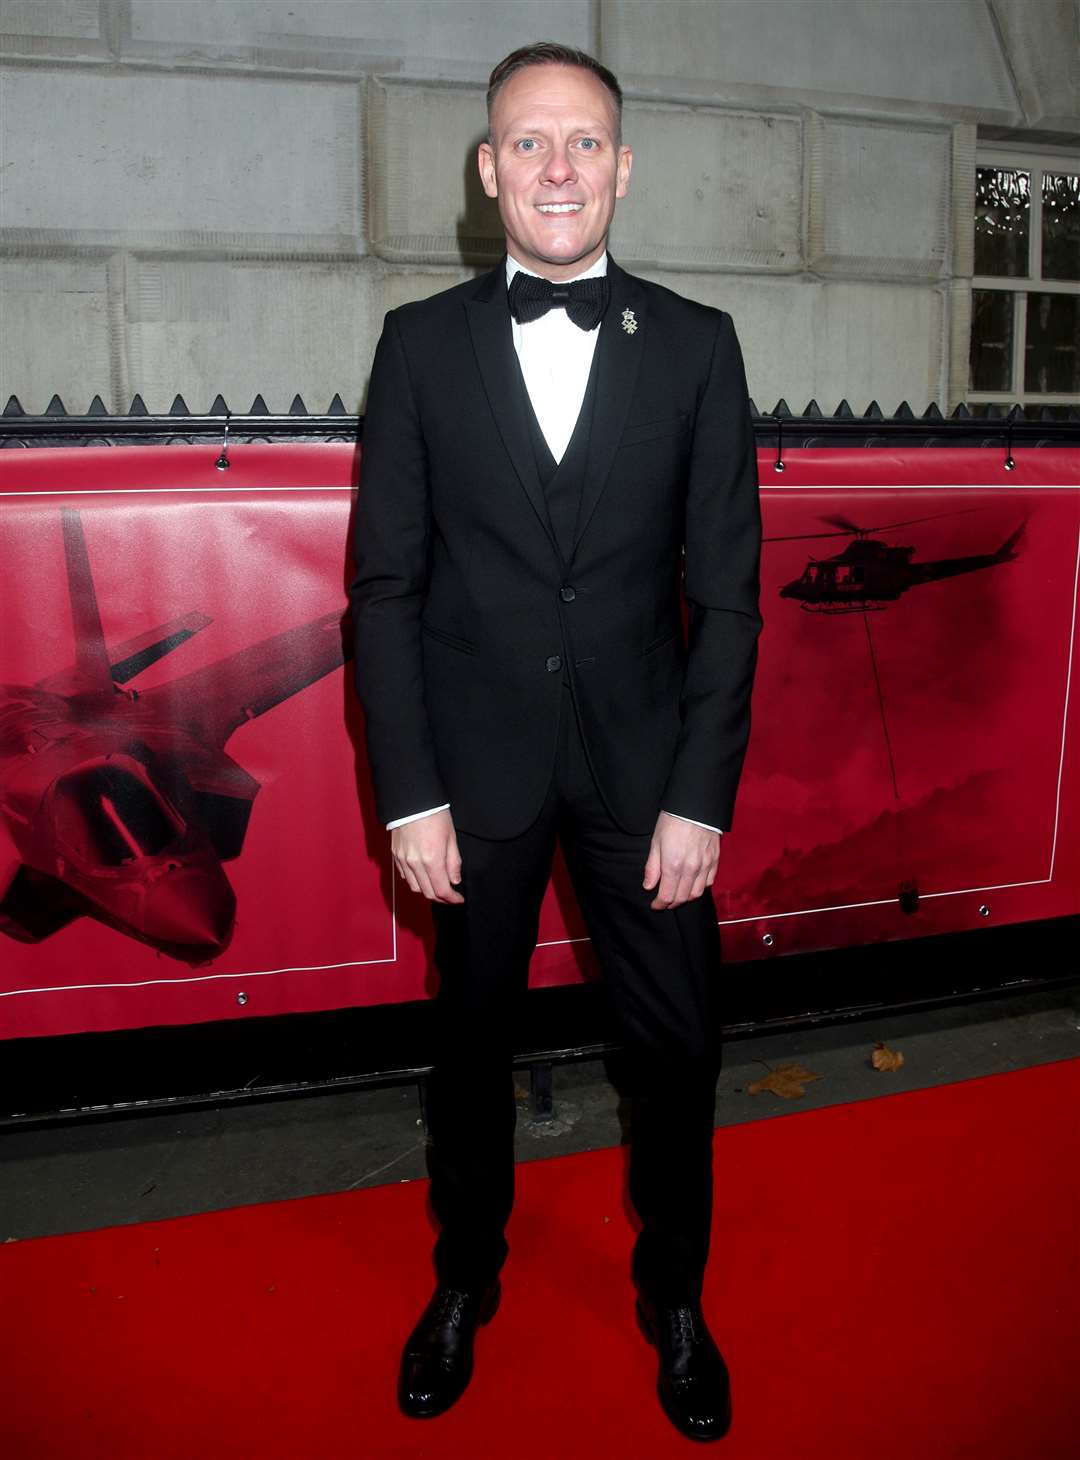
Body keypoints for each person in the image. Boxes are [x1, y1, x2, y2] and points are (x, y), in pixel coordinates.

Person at [349, 40, 762, 1443]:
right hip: (471, 781)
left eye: (583, 141)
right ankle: (465, 1282)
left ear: (624, 166)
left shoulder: (700, 348)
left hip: (650, 781)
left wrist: (701, 798)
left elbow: (731, 595)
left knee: (681, 1049)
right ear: (487, 170)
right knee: (468, 1052)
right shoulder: (419, 347)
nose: (558, 167)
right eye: (528, 143)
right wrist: (409, 792)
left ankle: (679, 1299)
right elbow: (385, 589)